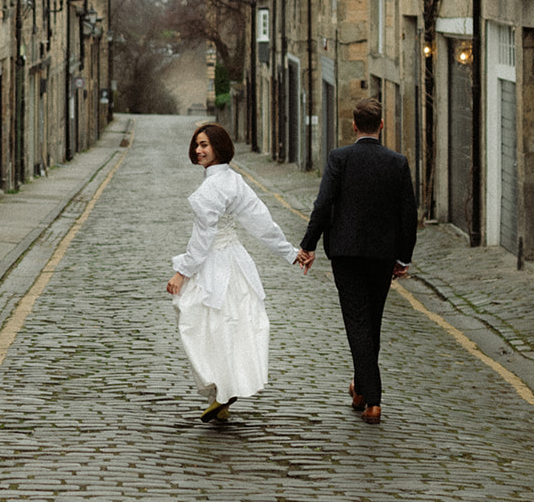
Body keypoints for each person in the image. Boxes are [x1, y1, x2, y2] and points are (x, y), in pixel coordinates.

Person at [167, 122, 302, 423]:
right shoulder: (234, 181)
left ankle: (221, 389)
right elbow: (260, 221)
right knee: (229, 325)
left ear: (219, 147)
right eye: (197, 145)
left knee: (198, 322)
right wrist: (290, 252)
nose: (198, 150)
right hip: (236, 261)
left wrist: (181, 273)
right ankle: (223, 395)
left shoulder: (210, 189)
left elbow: (202, 240)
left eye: (204, 145)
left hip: (214, 263)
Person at [295, 99, 417, 425]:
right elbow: (408, 215)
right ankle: (360, 390)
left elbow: (323, 204)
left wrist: (308, 245)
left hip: (346, 254)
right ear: (381, 125)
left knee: (358, 323)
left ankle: (373, 401)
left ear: (354, 126)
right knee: (371, 321)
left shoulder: (340, 158)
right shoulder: (397, 162)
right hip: (382, 256)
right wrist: (403, 258)